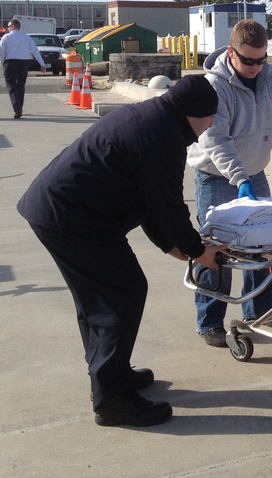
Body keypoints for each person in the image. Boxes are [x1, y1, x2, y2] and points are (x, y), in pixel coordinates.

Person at [17, 75, 222, 427]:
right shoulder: (164, 137)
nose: (212, 124)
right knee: (121, 293)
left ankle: (109, 374)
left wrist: (180, 248)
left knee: (98, 298)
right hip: (72, 218)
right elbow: (167, 205)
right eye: (210, 117)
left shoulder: (154, 117)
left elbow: (149, 204)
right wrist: (195, 249)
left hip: (62, 211)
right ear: (194, 115)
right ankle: (112, 400)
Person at [186, 19, 272, 346]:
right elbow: (216, 141)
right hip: (217, 177)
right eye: (248, 60)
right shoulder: (215, 86)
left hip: (254, 174)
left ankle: (259, 310)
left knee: (262, 246)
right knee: (217, 251)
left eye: (261, 59)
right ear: (231, 52)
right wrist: (239, 179)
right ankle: (210, 321)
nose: (255, 67)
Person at [0, 18, 46, 119]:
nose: (8, 28)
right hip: (23, 63)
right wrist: (42, 64)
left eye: (9, 26)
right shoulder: (26, 37)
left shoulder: (6, 37)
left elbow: (0, 52)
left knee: (11, 86)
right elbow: (35, 51)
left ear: (13, 26)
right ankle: (20, 107)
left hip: (9, 63)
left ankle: (16, 107)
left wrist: (2, 63)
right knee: (21, 85)